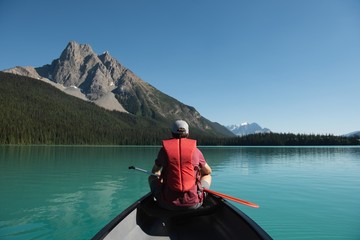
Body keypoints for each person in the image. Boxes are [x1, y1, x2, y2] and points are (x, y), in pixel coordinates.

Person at [148, 120, 212, 210]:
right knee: (207, 176)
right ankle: (199, 194)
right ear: (188, 133)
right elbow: (208, 171)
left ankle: (157, 200)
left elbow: (154, 171)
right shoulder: (196, 151)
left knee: (152, 177)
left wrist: (160, 177)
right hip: (194, 203)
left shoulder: (163, 151)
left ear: (172, 133)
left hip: (167, 204)